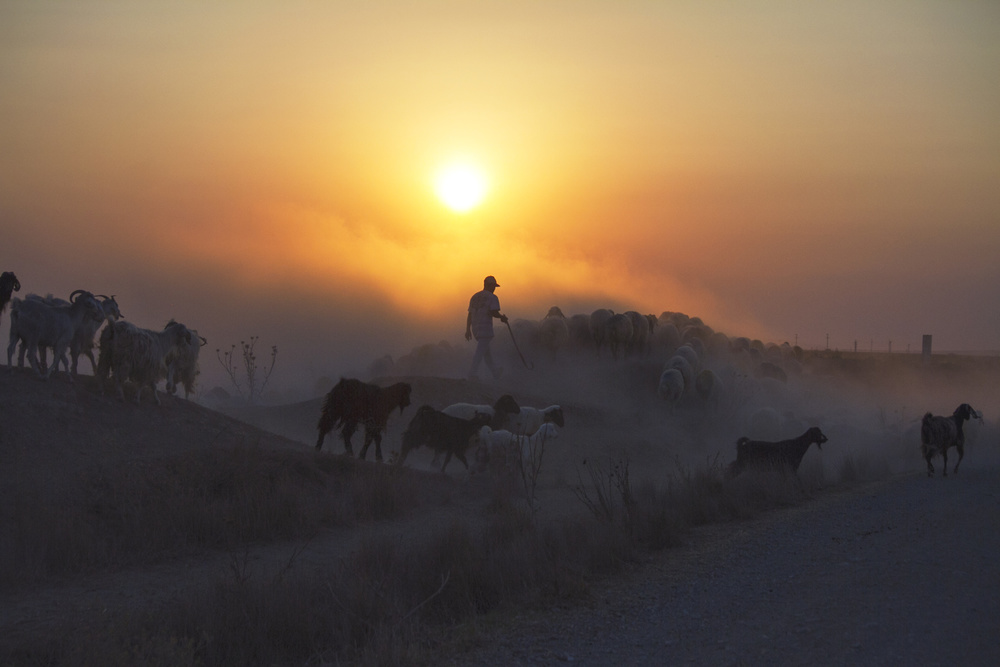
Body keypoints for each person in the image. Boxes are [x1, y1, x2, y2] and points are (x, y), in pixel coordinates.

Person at [465, 275, 508, 381]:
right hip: (486, 328)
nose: (494, 289)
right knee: (480, 352)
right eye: (493, 286)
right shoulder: (492, 297)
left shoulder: (474, 297)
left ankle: (495, 372)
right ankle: (472, 374)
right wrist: (502, 317)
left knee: (486, 352)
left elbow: (470, 315)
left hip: (476, 329)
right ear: (488, 285)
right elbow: (493, 312)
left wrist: (468, 329)